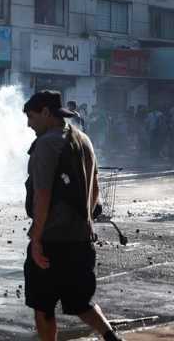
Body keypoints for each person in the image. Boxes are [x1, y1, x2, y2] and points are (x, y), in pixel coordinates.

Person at [22, 90, 124, 341]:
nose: (28, 124)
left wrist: (36, 240)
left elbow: (42, 195)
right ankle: (112, 338)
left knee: (43, 306)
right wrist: (84, 219)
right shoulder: (83, 139)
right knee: (81, 302)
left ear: (46, 113)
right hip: (81, 239)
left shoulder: (46, 144)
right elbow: (96, 187)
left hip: (51, 240)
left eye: (32, 117)